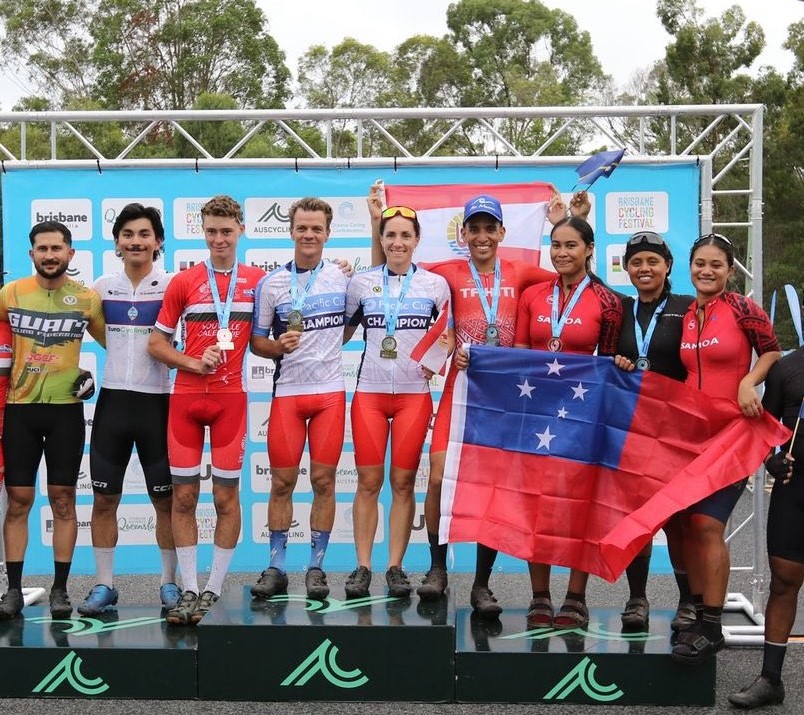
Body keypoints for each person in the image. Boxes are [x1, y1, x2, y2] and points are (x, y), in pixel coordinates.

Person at [367, 186, 579, 612]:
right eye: (474, 229)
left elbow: (571, 275)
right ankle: (437, 569)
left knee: (491, 487)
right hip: (459, 389)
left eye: (489, 228)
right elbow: (390, 274)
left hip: (504, 396)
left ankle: (481, 583)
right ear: (463, 234)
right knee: (440, 479)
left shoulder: (521, 272)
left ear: (501, 232)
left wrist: (562, 221)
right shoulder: (446, 271)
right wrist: (378, 224)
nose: (482, 236)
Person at [148, 195, 265, 626]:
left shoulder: (258, 281)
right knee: (184, 496)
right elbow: (156, 344)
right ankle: (189, 588)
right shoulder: (184, 281)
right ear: (204, 231)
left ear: (241, 231)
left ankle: (213, 588)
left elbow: (276, 322)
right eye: (212, 231)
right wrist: (194, 362)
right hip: (186, 398)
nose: (219, 239)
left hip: (230, 400)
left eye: (227, 231)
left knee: (224, 496)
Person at [671, 233, 781, 664]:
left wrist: (748, 381)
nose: (707, 271)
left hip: (733, 435)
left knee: (706, 524)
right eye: (700, 263)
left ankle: (712, 626)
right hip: (692, 438)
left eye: (716, 264)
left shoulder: (741, 308)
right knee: (689, 525)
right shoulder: (685, 314)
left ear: (730, 270)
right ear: (691, 267)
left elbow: (771, 352)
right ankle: (700, 613)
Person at [514, 216, 622, 629]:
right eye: (556, 244)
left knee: (582, 506)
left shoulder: (610, 302)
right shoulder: (533, 296)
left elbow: (611, 367)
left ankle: (576, 596)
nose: (562, 252)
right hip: (537, 413)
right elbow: (520, 356)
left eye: (571, 245)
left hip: (584, 416)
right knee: (537, 507)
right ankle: (540, 596)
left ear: (589, 249)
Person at [343, 205, 452, 599]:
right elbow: (339, 334)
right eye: (391, 235)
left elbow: (449, 334)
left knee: (403, 483)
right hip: (369, 394)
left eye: (406, 235)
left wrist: (435, 363)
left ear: (417, 240)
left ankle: (395, 567)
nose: (398, 242)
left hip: (413, 397)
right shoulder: (360, 283)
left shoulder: (435, 286)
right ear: (381, 240)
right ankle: (362, 567)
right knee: (368, 482)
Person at [78, 203, 180, 615]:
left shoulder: (174, 285)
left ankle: (169, 584)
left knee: (166, 503)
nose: (135, 241)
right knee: (104, 502)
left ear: (158, 242)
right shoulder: (101, 287)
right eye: (127, 235)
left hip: (159, 405)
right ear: (117, 242)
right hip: (113, 404)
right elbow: (97, 334)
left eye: (144, 234)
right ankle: (105, 585)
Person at [0, 221, 105, 620]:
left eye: (56, 248)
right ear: (31, 255)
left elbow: (121, 345)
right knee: (18, 502)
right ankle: (12, 591)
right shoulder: (11, 294)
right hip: (20, 410)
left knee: (63, 501)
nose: (49, 255)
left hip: (65, 413)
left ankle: (60, 590)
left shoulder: (86, 299)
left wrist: (92, 380)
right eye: (42, 249)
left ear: (70, 254)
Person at [249, 197, 348, 601]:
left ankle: (317, 568)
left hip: (329, 395)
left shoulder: (345, 279)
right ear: (290, 232)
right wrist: (277, 347)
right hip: (287, 394)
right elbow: (256, 342)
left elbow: (374, 301)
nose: (309, 235)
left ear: (327, 233)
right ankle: (276, 567)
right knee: (282, 483)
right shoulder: (270, 283)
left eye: (316, 228)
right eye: (302, 228)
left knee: (324, 482)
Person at [613, 231, 694, 632]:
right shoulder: (620, 309)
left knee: (679, 521)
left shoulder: (688, 307)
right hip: (633, 431)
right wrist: (618, 361)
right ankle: (637, 598)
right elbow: (607, 357)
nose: (644, 269)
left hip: (677, 433)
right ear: (627, 268)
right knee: (638, 520)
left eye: (652, 262)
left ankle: (687, 602)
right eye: (636, 262)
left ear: (667, 267)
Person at [729, 346, 803, 708]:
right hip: (795, 489)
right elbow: (764, 430)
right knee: (784, 580)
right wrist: (772, 461)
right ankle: (771, 679)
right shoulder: (787, 368)